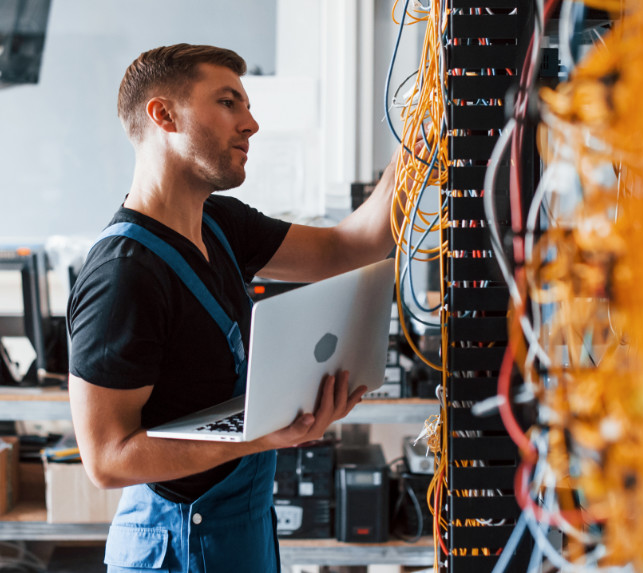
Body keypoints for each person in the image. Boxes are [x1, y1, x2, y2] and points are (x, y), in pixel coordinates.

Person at [67, 44, 403, 573]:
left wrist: (417, 152)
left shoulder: (220, 224)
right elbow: (107, 460)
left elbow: (348, 248)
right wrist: (261, 437)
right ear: (164, 115)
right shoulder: (123, 274)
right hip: (175, 546)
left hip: (240, 529)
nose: (251, 124)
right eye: (229, 103)